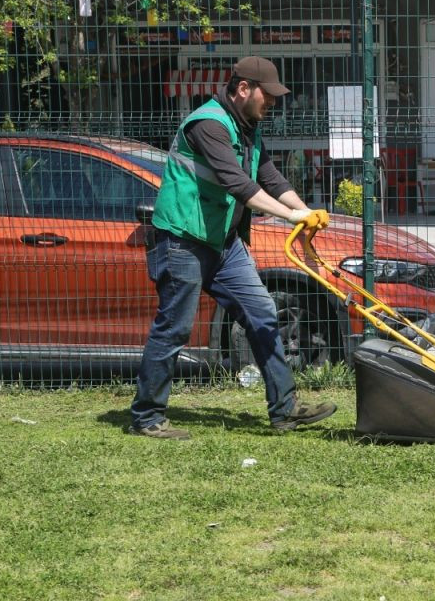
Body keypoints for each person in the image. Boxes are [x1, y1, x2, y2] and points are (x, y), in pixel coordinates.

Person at [129, 56, 337, 440]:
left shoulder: (248, 128)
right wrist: (290, 218)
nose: (272, 102)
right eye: (267, 95)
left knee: (262, 313)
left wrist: (306, 211)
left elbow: (269, 177)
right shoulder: (208, 124)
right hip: (181, 240)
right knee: (174, 328)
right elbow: (236, 183)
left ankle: (285, 410)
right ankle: (147, 416)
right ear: (243, 89)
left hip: (221, 243)